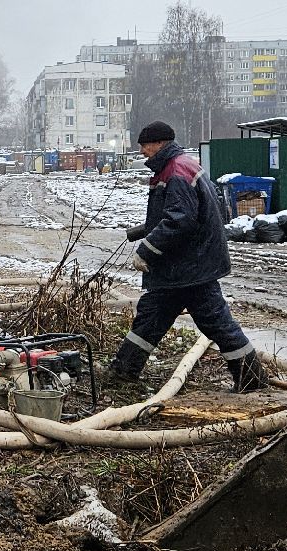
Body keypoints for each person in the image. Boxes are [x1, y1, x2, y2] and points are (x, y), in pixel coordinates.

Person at [114, 121, 269, 393]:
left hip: (189, 269)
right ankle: (123, 370)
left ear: (160, 143)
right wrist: (147, 231)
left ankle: (252, 379)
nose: (142, 152)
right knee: (151, 318)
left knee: (217, 324)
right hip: (185, 267)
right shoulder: (181, 166)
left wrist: (147, 249)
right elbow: (186, 214)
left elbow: (179, 220)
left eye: (145, 145)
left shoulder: (174, 172)